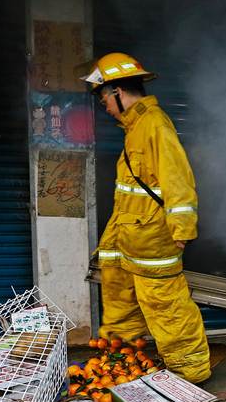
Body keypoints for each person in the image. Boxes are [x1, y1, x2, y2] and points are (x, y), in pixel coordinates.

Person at [82, 52, 211, 383]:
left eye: (104, 99)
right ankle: (125, 357)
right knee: (131, 299)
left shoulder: (154, 124)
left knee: (167, 306)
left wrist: (182, 228)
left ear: (118, 92)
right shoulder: (135, 127)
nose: (105, 107)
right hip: (134, 239)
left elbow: (177, 178)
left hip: (154, 241)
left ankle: (190, 373)